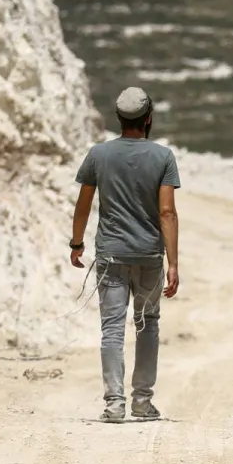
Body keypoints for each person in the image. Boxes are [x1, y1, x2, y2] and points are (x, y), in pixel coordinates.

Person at [69, 87, 181, 423]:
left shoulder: (98, 155)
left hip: (111, 256)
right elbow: (167, 212)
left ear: (119, 118)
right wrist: (173, 262)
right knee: (147, 325)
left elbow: (84, 204)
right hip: (149, 256)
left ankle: (114, 404)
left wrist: (77, 244)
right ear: (148, 119)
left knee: (112, 329)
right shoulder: (163, 157)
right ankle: (143, 403)